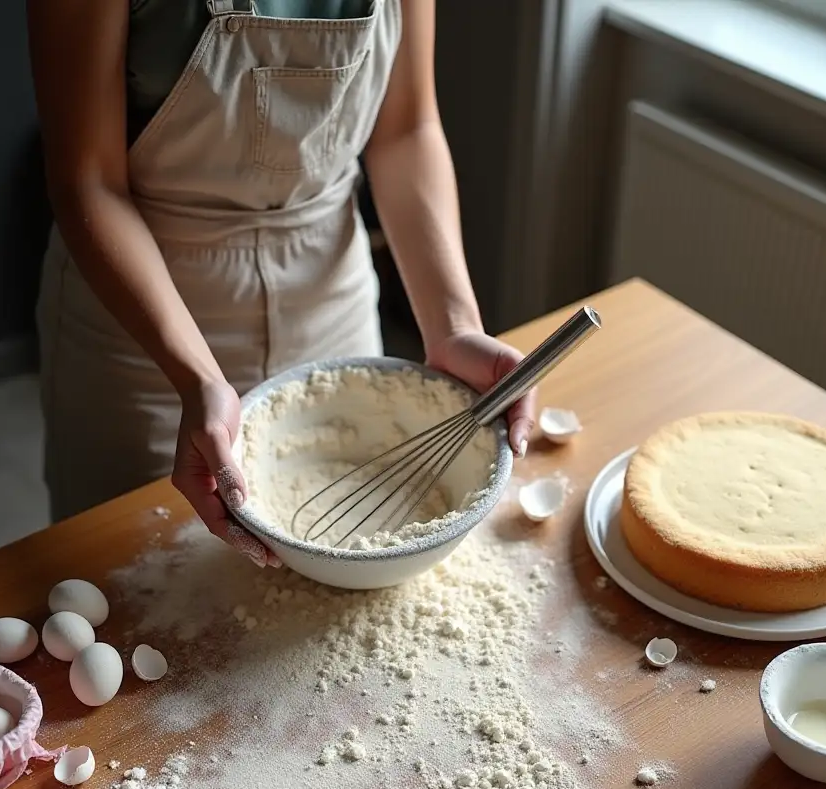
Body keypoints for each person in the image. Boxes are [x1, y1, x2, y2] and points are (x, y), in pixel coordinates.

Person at [27, 0, 535, 566]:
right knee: (138, 577)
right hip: (147, 326)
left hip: (329, 290)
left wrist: (453, 326)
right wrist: (196, 378)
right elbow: (88, 180)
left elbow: (406, 129)